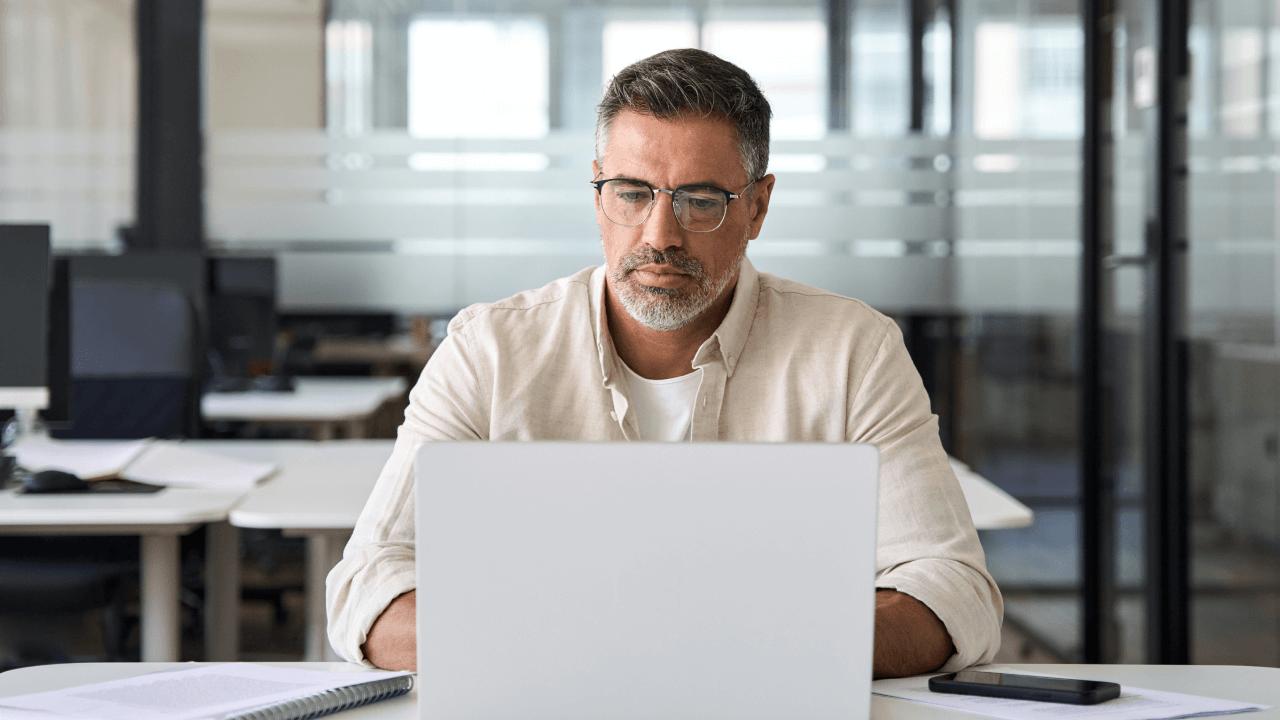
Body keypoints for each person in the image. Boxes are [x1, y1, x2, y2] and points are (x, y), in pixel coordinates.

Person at [327, 48, 1002, 679]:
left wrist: (735, 653)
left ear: (758, 207)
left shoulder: (854, 350)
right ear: (597, 196)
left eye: (700, 201)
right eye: (631, 192)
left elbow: (954, 590)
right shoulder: (490, 351)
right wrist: (604, 652)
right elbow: (367, 586)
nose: (659, 236)